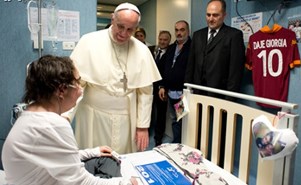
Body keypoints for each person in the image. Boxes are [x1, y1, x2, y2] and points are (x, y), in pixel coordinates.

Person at [2, 55, 137, 185]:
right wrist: (124, 183)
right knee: (115, 173)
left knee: (105, 159)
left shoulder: (31, 112)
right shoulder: (52, 124)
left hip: (39, 177)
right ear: (61, 90)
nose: (80, 90)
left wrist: (92, 152)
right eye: (77, 83)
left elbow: (53, 156)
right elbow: (81, 182)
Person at [67, 3, 161, 154]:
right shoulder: (89, 42)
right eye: (120, 26)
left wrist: (142, 126)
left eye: (130, 29)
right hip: (93, 116)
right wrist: (65, 116)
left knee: (123, 160)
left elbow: (145, 92)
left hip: (127, 119)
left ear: (136, 28)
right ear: (112, 19)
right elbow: (77, 84)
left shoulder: (142, 50)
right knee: (92, 159)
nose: (124, 33)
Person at [184, 0, 245, 166]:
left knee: (222, 134)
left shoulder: (234, 35)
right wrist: (187, 91)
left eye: (215, 15)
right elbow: (191, 65)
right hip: (198, 94)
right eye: (208, 15)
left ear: (224, 15)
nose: (211, 18)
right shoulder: (198, 35)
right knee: (197, 129)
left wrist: (230, 101)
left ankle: (220, 165)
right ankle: (195, 160)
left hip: (221, 95)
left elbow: (235, 70)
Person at [159, 20, 191, 143]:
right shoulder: (172, 48)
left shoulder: (192, 47)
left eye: (182, 30)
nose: (179, 33)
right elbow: (166, 68)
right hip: (171, 93)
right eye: (176, 30)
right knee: (174, 119)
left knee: (183, 121)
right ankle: (176, 143)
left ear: (187, 31)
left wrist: (187, 91)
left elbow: (193, 70)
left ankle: (181, 145)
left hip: (183, 94)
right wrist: (163, 86)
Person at [151, 30, 172, 146]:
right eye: (161, 39)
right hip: (150, 87)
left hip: (162, 89)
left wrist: (163, 86)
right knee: (148, 111)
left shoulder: (171, 53)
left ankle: (158, 137)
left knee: (161, 114)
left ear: (169, 41)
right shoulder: (153, 50)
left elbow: (168, 72)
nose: (162, 42)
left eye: (165, 40)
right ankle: (146, 131)